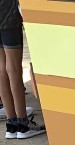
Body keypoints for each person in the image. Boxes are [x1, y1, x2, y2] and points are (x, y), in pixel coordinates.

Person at [0, 0, 45, 138]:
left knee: (1, 67)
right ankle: (23, 124)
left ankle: (11, 124)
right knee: (13, 67)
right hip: (8, 13)